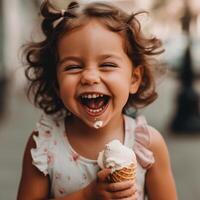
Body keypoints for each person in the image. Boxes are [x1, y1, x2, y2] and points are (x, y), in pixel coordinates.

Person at [17, 0, 177, 199]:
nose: (90, 77)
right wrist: (86, 195)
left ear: (134, 79)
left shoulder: (147, 145)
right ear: (57, 84)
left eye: (107, 64)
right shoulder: (44, 145)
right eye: (73, 67)